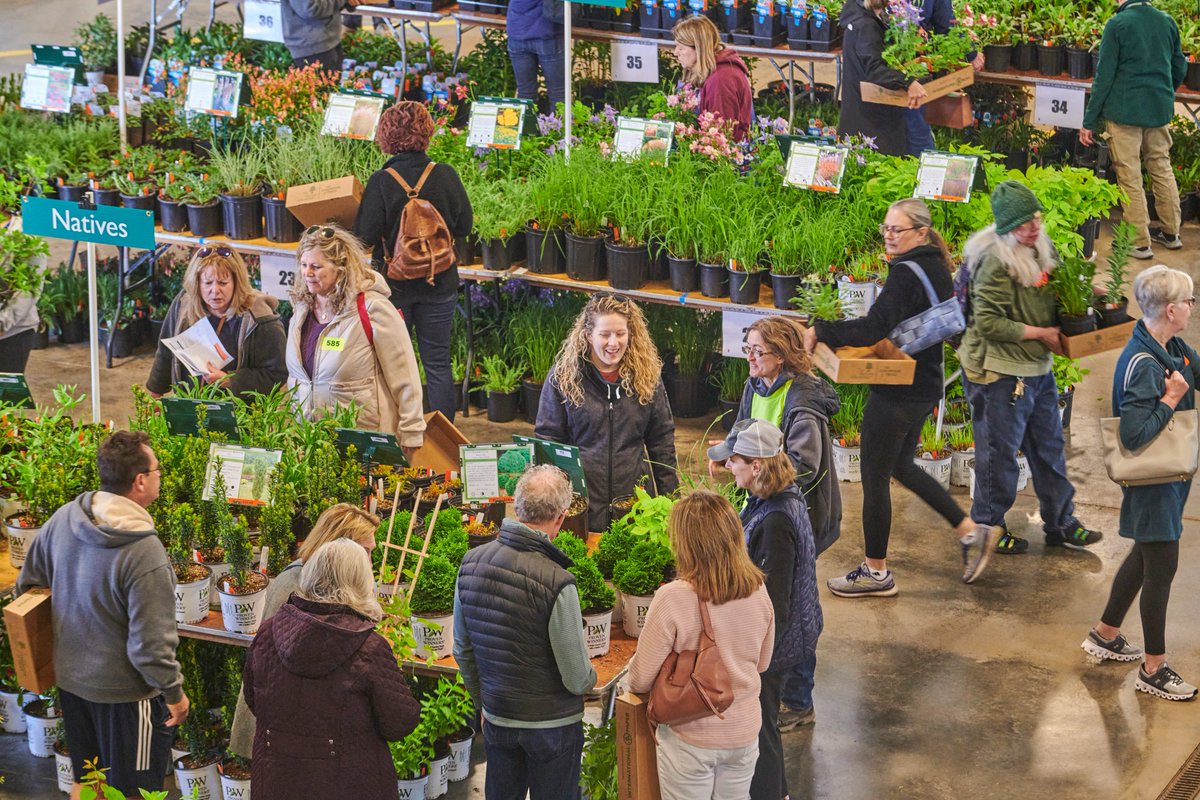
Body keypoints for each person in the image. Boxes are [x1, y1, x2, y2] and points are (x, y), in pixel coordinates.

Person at [803, 198, 997, 596]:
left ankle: (876, 572)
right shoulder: (934, 264)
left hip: (898, 389)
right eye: (886, 229)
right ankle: (970, 531)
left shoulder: (907, 273)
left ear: (921, 233)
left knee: (874, 476)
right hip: (926, 384)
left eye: (898, 230)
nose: (889, 237)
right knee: (902, 465)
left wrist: (822, 330)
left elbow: (874, 328)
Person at [17, 431, 189, 799]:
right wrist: (174, 693)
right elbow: (151, 648)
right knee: (136, 792)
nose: (161, 476)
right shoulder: (145, 554)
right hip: (127, 696)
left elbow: (28, 589)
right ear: (140, 481)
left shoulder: (65, 519)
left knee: (89, 781)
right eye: (158, 470)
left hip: (72, 683)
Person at [957, 181, 1103, 555]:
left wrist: (1088, 295)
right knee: (998, 455)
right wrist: (1042, 333)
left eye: (1036, 218)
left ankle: (1061, 521)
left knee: (1049, 447)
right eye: (1025, 223)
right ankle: (989, 525)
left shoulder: (1040, 247)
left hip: (1037, 367)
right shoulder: (995, 261)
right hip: (998, 374)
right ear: (1007, 228)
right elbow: (987, 323)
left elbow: (1052, 290)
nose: (1035, 227)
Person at [1081, 266, 1199, 701]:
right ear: (1171, 309)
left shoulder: (1171, 345)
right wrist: (1170, 400)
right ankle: (1154, 669)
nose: (1191, 307)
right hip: (1152, 481)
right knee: (1161, 567)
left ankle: (1105, 632)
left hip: (1168, 478)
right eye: (1189, 301)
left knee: (1145, 553)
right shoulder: (1145, 364)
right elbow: (1131, 435)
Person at [453, 465, 597, 800]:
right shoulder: (558, 581)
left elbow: (462, 648)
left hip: (499, 719)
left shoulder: (470, 563)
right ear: (561, 518)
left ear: (516, 508)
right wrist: (592, 681)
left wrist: (484, 702)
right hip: (552, 728)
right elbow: (576, 676)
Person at [243, 538, 422, 799]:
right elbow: (401, 722)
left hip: (277, 779)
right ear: (360, 581)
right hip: (351, 783)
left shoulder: (268, 632)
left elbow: (254, 699)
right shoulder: (369, 647)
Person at [626, 490, 775, 800]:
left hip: (690, 734)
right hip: (744, 733)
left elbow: (640, 678)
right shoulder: (758, 588)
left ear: (686, 542)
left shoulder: (673, 597)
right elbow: (762, 662)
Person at [708, 420, 821, 798]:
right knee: (764, 725)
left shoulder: (775, 520)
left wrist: (754, 657)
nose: (728, 467)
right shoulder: (774, 497)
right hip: (781, 638)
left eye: (735, 461)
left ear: (757, 466)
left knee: (761, 729)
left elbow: (776, 604)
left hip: (775, 645)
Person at [228, 503, 380, 758]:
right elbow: (272, 664)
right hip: (277, 731)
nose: (368, 561)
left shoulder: (326, 580)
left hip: (297, 731)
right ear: (338, 545)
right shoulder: (296, 582)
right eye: (364, 550)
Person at [354, 101, 473, 422]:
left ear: (386, 136)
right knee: (437, 361)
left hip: (395, 290)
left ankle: (400, 430)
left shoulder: (381, 181)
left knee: (395, 360)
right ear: (426, 132)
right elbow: (465, 226)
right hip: (441, 282)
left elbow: (363, 236)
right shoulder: (446, 175)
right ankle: (445, 436)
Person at [535, 293, 679, 532]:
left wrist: (672, 506)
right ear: (588, 335)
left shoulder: (647, 377)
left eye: (620, 334)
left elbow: (662, 442)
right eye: (605, 335)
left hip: (634, 502)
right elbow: (548, 440)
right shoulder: (563, 377)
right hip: (581, 504)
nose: (613, 343)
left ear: (631, 333)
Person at [286, 224, 425, 459]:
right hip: (311, 441)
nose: (307, 273)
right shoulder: (301, 309)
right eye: (304, 265)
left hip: (363, 441)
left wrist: (411, 431)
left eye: (316, 267)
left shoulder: (372, 308)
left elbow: (405, 374)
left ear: (340, 268)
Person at [713, 316, 841, 558]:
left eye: (758, 351)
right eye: (747, 349)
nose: (749, 357)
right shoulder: (754, 386)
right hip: (759, 502)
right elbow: (741, 434)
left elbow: (803, 467)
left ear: (781, 355)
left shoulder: (801, 401)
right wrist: (728, 453)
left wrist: (753, 469)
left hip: (789, 512)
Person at [1080, 0, 1188, 258]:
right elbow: (1180, 66)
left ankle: (1139, 241)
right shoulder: (1166, 21)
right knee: (1161, 166)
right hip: (1158, 110)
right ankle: (1171, 232)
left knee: (1129, 174)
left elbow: (1104, 77)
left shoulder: (1117, 25)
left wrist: (1089, 120)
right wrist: (1164, 91)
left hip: (1124, 111)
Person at [146, 245, 287, 400]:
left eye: (223, 283)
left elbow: (277, 372)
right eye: (207, 283)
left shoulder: (261, 319)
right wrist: (156, 391)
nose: (215, 290)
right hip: (189, 405)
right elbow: (166, 350)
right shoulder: (184, 305)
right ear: (196, 283)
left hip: (241, 415)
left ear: (236, 282)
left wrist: (231, 380)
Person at [839, 0, 927, 156]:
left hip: (860, 114)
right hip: (872, 125)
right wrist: (908, 82)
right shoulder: (866, 25)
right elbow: (875, 70)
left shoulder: (862, 15)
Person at [901, 0, 985, 156]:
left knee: (892, 135)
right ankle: (922, 173)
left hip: (887, 65)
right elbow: (945, 23)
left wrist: (970, 52)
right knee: (918, 137)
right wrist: (971, 54)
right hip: (906, 70)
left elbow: (945, 23)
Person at [672, 16, 753, 141]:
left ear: (698, 48)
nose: (675, 53)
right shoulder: (710, 71)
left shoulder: (721, 81)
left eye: (681, 48)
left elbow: (722, 139)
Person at [506, 0, 565, 111]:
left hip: (517, 30)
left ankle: (527, 127)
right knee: (558, 94)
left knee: (525, 92)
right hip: (548, 34)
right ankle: (558, 127)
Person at [282, 0, 361, 72]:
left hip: (328, 41)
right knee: (323, 86)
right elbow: (310, 9)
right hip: (313, 47)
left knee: (331, 85)